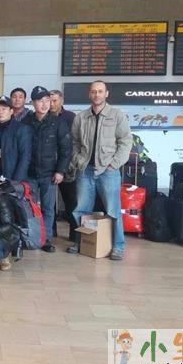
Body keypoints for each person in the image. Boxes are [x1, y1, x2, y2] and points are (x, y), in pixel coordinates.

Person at [67, 81, 132, 260]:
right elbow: (74, 142)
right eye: (94, 92)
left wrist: (114, 164)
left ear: (106, 94)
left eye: (100, 91)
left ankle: (118, 246)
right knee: (81, 210)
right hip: (85, 170)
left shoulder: (117, 115)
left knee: (113, 210)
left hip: (108, 170)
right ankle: (81, 242)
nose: (97, 95)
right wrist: (78, 160)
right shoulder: (81, 117)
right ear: (90, 94)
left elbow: (125, 142)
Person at [22, 86, 72, 253]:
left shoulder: (58, 123)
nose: (44, 104)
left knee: (48, 209)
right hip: (29, 173)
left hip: (49, 174)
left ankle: (46, 239)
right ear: (33, 103)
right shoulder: (26, 123)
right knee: (30, 207)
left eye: (46, 101)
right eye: (40, 101)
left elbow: (66, 149)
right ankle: (31, 237)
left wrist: (60, 171)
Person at [49, 89, 78, 240]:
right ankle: (51, 232)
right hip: (48, 165)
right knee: (49, 202)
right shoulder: (43, 116)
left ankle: (74, 234)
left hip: (67, 166)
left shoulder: (71, 117)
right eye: (49, 100)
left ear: (62, 101)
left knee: (70, 200)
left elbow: (75, 141)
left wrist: (71, 162)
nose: (51, 104)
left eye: (55, 100)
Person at [0, 95, 31, 184]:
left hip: (10, 177)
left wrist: (16, 181)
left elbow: (25, 158)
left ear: (11, 111)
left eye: (4, 109)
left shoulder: (21, 129)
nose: (0, 112)